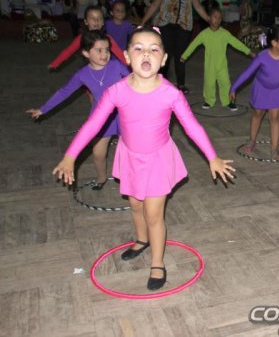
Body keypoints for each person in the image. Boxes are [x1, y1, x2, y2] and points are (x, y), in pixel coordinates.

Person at [52, 27, 235, 291]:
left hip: (158, 160)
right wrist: (70, 156)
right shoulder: (116, 91)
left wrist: (212, 157)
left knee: (153, 214)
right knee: (135, 205)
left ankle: (158, 262)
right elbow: (93, 125)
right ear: (126, 57)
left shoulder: (171, 93)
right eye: (138, 48)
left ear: (164, 59)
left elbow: (193, 127)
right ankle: (141, 240)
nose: (146, 54)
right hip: (129, 156)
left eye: (154, 49)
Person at [28, 31, 129, 189]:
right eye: (99, 50)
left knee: (128, 150)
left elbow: (135, 80)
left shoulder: (116, 65)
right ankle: (101, 178)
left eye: (107, 50)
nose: (105, 54)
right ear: (86, 53)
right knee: (98, 153)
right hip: (101, 117)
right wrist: (43, 109)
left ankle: (126, 177)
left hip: (125, 113)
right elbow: (64, 92)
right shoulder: (82, 75)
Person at [230, 26, 279, 160]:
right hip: (261, 88)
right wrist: (234, 87)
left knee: (275, 117)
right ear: (274, 43)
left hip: (277, 89)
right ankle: (252, 140)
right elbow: (248, 72)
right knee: (257, 113)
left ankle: (274, 148)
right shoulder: (262, 57)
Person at [140, 0, 211, 94]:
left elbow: (197, 6)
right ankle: (161, 83)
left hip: (184, 27)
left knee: (181, 56)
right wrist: (143, 21)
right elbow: (154, 5)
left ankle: (181, 84)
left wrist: (208, 19)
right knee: (164, 55)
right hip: (165, 26)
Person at [181, 8, 253, 111]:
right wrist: (184, 55)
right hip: (209, 65)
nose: (217, 20)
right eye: (215, 17)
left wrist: (248, 51)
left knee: (226, 83)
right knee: (209, 84)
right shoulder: (204, 34)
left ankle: (228, 101)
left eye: (219, 18)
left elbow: (236, 43)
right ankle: (209, 101)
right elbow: (193, 44)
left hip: (222, 65)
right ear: (209, 18)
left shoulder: (225, 33)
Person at [48, 6, 127, 69]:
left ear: (103, 22)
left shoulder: (107, 38)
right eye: (93, 18)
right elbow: (69, 51)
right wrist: (55, 63)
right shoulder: (82, 37)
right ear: (86, 21)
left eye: (100, 18)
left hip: (105, 66)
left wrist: (129, 64)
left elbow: (119, 53)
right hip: (89, 67)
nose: (96, 20)